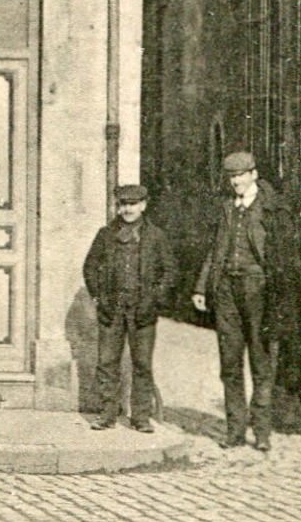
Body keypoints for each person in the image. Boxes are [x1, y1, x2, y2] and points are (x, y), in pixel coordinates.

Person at [193, 151, 298, 452]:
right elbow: (215, 250)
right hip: (227, 288)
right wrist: (202, 286)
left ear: (254, 174)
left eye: (241, 175)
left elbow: (286, 256)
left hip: (260, 291)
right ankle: (234, 431)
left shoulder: (272, 209)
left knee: (262, 362)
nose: (236, 181)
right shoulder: (227, 207)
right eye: (231, 177)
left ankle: (261, 431)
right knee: (230, 362)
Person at [83, 183, 177, 433]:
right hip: (112, 309)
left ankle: (141, 417)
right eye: (123, 204)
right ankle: (106, 414)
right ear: (118, 206)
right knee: (107, 361)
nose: (128, 209)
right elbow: (90, 267)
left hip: (142, 310)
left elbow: (170, 272)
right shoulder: (105, 235)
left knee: (142, 363)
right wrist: (98, 297)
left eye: (133, 204)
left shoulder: (156, 236)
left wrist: (154, 300)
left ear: (144, 205)